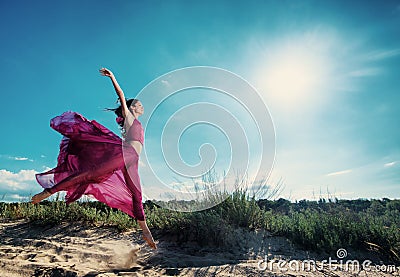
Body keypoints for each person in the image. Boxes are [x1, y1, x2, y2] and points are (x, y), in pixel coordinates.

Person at [31, 68, 157, 249]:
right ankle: (49, 191)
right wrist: (113, 77)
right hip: (125, 154)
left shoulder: (137, 122)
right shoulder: (129, 117)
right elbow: (121, 94)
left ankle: (145, 231)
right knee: (90, 173)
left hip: (133, 160)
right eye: (139, 104)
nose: (142, 106)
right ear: (130, 108)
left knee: (137, 194)